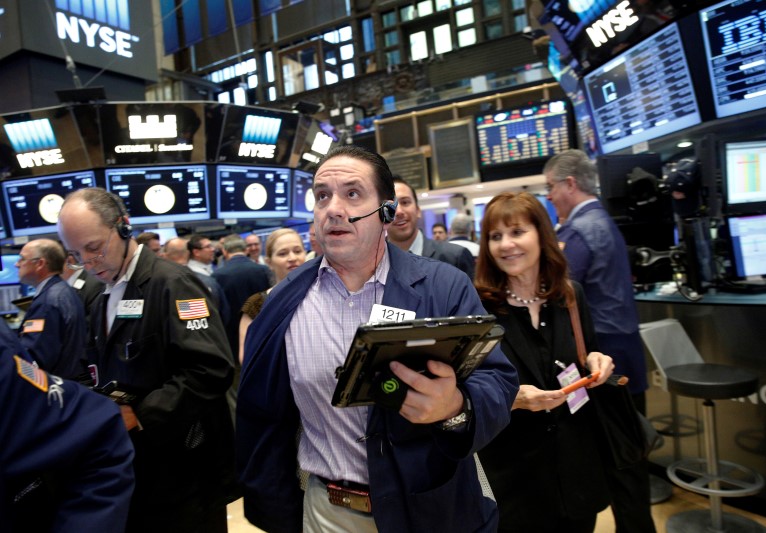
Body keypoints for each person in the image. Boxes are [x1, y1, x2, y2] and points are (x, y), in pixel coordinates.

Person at [237, 145, 518, 533]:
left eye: (352, 193)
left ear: (386, 210)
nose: (333, 208)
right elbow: (261, 417)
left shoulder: (442, 286)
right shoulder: (280, 306)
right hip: (328, 513)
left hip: (430, 507)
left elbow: (498, 380)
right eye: (322, 195)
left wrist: (455, 407)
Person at [57, 187, 235, 533]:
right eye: (75, 254)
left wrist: (140, 414)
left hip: (183, 467)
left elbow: (210, 369)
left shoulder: (174, 284)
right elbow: (86, 364)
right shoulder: (98, 294)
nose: (87, 262)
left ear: (124, 226)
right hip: (133, 466)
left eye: (93, 248)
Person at [474, 191, 615, 533]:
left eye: (517, 232)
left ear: (541, 234)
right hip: (514, 474)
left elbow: (589, 353)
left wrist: (597, 362)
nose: (506, 245)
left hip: (577, 465)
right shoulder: (477, 308)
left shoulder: (569, 295)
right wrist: (515, 398)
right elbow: (467, 392)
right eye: (496, 236)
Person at [544, 149, 656, 533]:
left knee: (615, 459)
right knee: (628, 456)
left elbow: (555, 291)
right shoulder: (604, 221)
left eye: (551, 189)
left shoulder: (577, 232)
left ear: (569, 184)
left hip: (601, 361)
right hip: (625, 351)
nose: (550, 198)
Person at [1, 322, 135, 533]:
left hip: (58, 409)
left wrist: (146, 414)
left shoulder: (50, 302)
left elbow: (37, 355)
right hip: (61, 404)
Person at [16, 238, 87, 380]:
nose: (17, 264)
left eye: (22, 259)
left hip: (55, 390)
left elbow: (34, 360)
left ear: (40, 264)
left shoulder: (47, 303)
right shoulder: (62, 291)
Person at [238, 228, 306, 363]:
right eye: (282, 254)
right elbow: (246, 358)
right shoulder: (256, 304)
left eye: (297, 251)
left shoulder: (322, 294)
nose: (292, 258)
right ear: (269, 262)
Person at [386, 177, 475, 279]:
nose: (399, 212)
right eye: (390, 205)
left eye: (405, 202)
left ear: (418, 210)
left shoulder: (455, 257)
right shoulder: (372, 265)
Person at [213, 234, 274, 358]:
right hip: (263, 334)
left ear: (224, 251)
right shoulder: (264, 270)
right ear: (246, 250)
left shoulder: (217, 276)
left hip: (231, 340)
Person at [61, 251, 104, 324]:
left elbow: (90, 325)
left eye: (54, 264)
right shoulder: (60, 287)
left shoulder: (93, 285)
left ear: (69, 261)